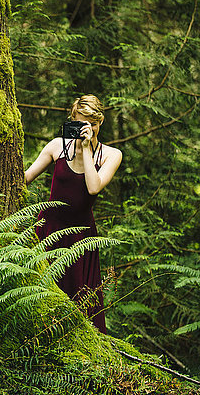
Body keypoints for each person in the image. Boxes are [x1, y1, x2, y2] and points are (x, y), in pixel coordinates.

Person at [24, 94, 122, 334]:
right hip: (49, 231)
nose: (86, 129)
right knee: (44, 296)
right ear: (72, 121)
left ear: (100, 123)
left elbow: (93, 187)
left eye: (92, 123)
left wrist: (87, 149)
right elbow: (24, 178)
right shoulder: (58, 146)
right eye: (80, 123)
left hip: (82, 238)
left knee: (81, 302)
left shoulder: (111, 155)